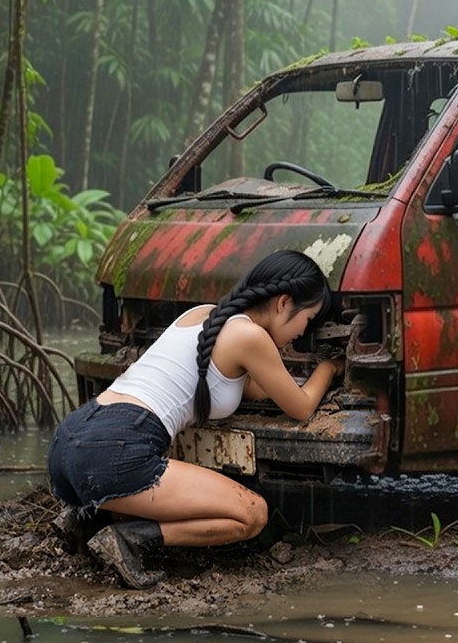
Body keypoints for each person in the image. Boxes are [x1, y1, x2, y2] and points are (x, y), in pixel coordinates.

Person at [47, 249, 344, 588]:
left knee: (150, 494)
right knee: (252, 513)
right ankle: (130, 539)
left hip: (72, 438)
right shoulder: (250, 336)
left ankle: (84, 521)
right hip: (117, 447)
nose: (301, 334)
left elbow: (257, 389)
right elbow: (302, 407)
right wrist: (330, 367)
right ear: (283, 303)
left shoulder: (204, 316)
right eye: (308, 320)